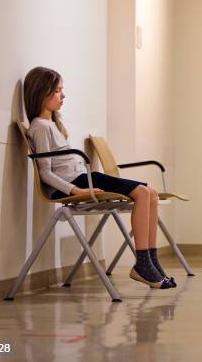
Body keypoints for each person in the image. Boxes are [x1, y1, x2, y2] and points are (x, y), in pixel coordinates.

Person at [23, 66, 175, 290]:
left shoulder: (52, 125)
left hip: (83, 178)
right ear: (40, 93)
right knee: (143, 193)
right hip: (77, 182)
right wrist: (73, 191)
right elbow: (45, 172)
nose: (63, 95)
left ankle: (151, 262)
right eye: (57, 91)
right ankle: (143, 264)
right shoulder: (39, 127)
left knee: (150, 193)